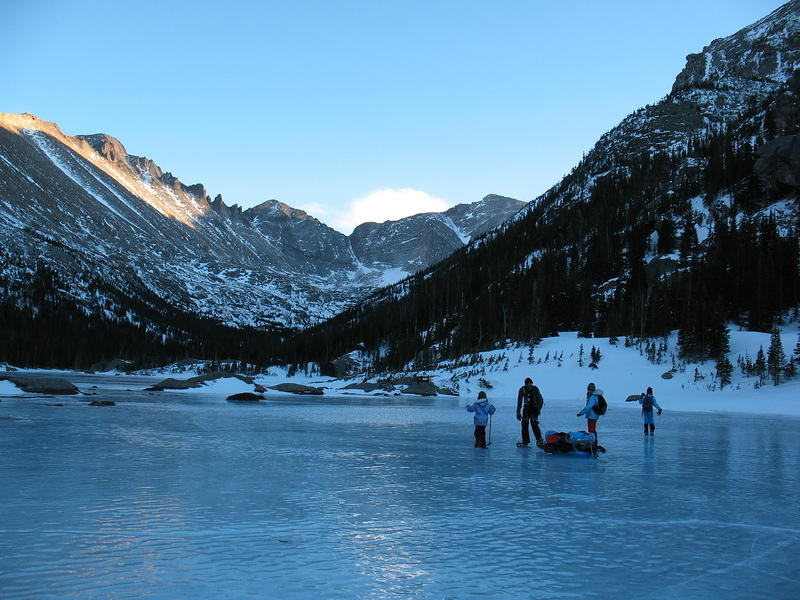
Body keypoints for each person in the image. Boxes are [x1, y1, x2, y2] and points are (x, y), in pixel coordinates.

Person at [516, 377, 544, 447]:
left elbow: (519, 401)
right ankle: (539, 440)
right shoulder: (534, 388)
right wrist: (538, 410)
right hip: (532, 409)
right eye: (529, 384)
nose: (529, 385)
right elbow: (540, 401)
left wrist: (518, 412)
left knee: (526, 425)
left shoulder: (523, 389)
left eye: (530, 384)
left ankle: (527, 441)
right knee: (532, 424)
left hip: (530, 409)